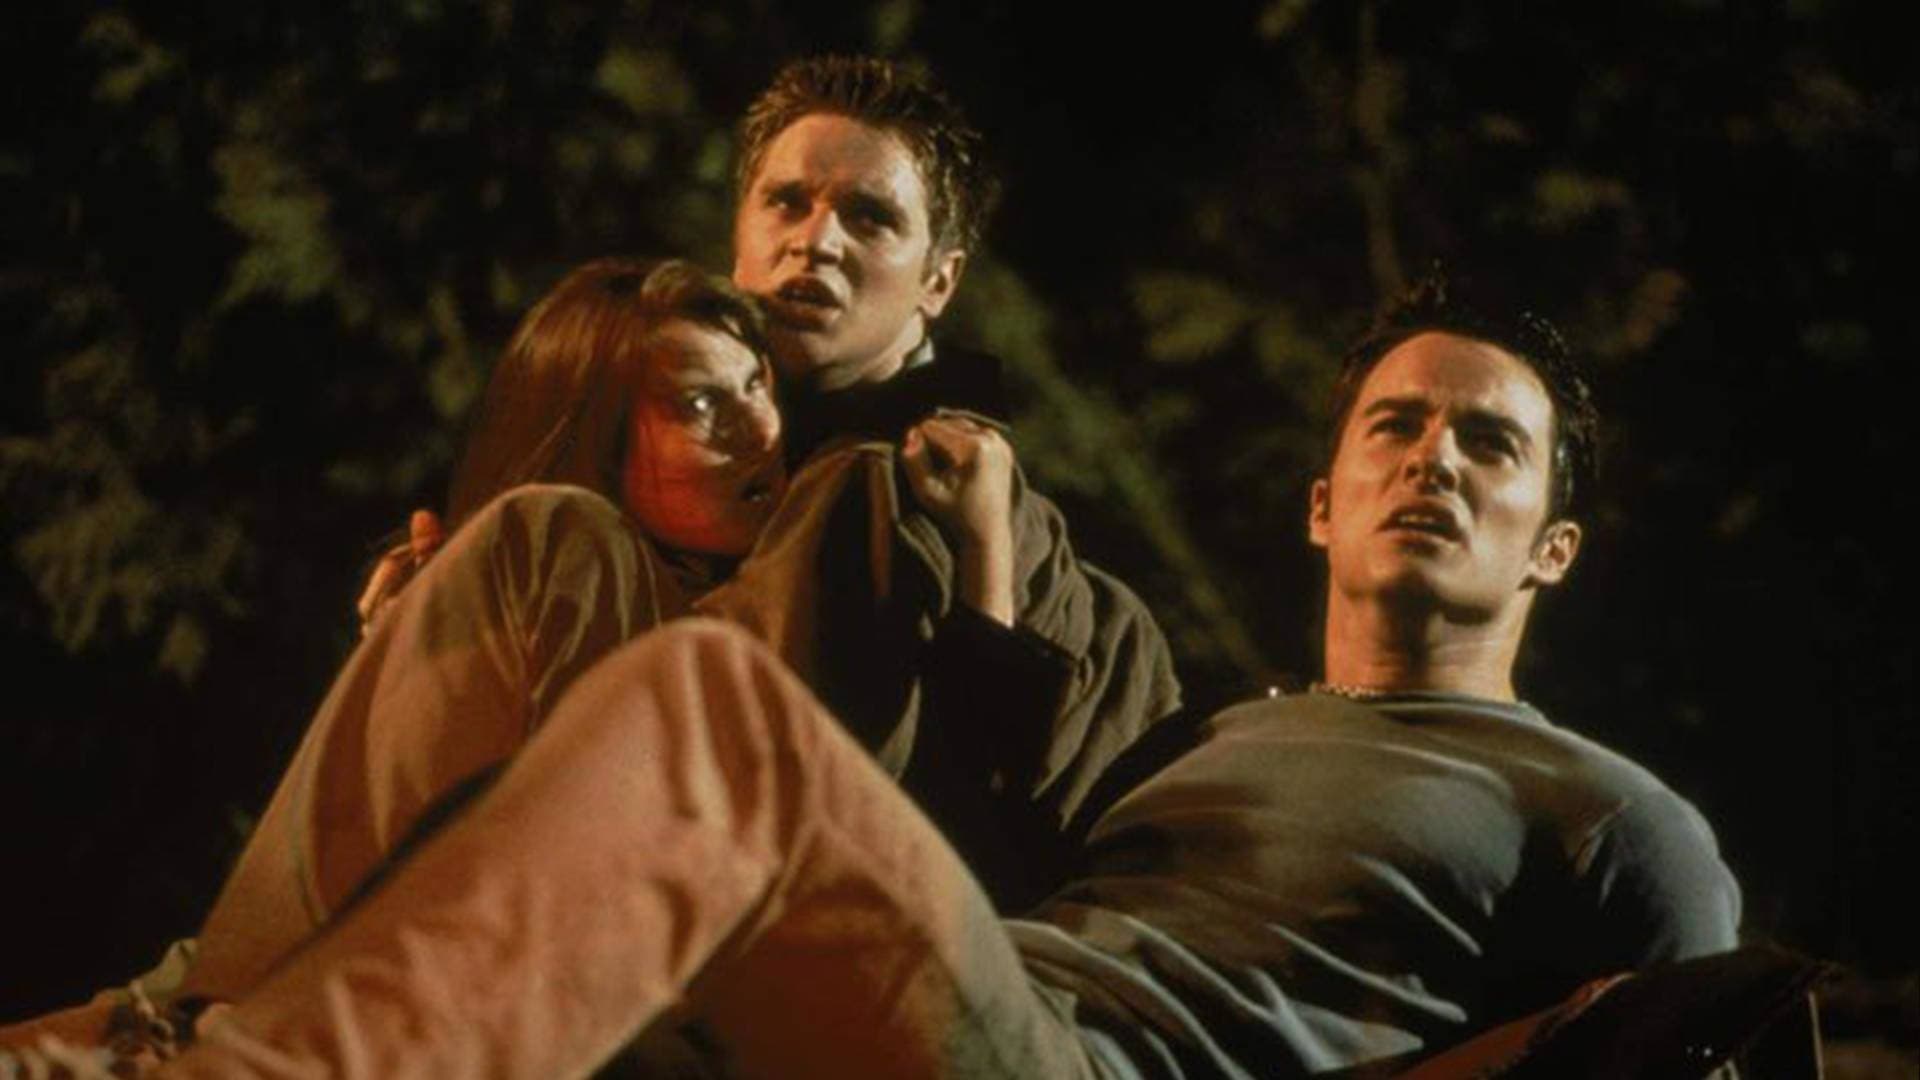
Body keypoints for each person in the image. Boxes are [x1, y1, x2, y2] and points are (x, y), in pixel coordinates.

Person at [140, 278, 1739, 1078]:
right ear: (1324, 504)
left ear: (1554, 547)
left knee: (718, 713)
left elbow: (1702, 1042)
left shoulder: (1604, 812)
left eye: (1490, 444)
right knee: (536, 547)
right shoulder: (1209, 738)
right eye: (1397, 425)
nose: (1434, 461)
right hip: (934, 1007)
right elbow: (975, 826)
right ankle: (193, 1027)